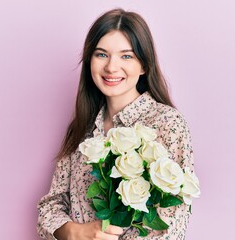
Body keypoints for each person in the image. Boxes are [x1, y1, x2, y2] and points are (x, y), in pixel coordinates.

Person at [37, 8, 195, 240]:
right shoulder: (83, 127)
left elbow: (171, 225)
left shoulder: (166, 123)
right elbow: (50, 205)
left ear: (144, 65)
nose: (111, 67)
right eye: (101, 54)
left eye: (126, 56)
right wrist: (75, 232)